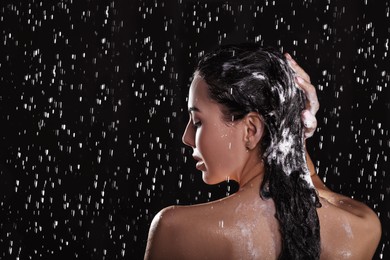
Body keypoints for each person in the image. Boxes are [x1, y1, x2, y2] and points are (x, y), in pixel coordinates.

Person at [144, 43, 381, 259]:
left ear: (251, 130)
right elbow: (311, 184)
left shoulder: (177, 230)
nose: (186, 138)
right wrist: (293, 131)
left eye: (197, 121)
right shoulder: (360, 227)